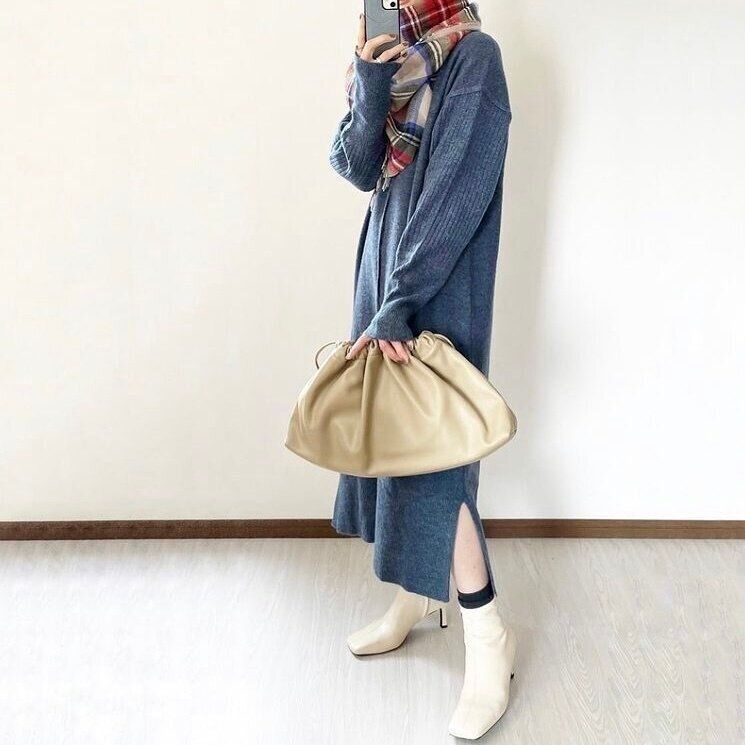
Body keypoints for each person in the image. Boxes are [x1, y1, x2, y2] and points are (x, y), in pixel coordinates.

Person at [329, 1, 515, 738]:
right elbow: (355, 166)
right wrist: (370, 81)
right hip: (381, 272)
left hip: (436, 282)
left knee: (437, 457)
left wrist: (402, 302)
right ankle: (415, 594)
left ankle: (488, 638)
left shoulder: (475, 58)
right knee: (392, 444)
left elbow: (457, 196)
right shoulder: (394, 62)